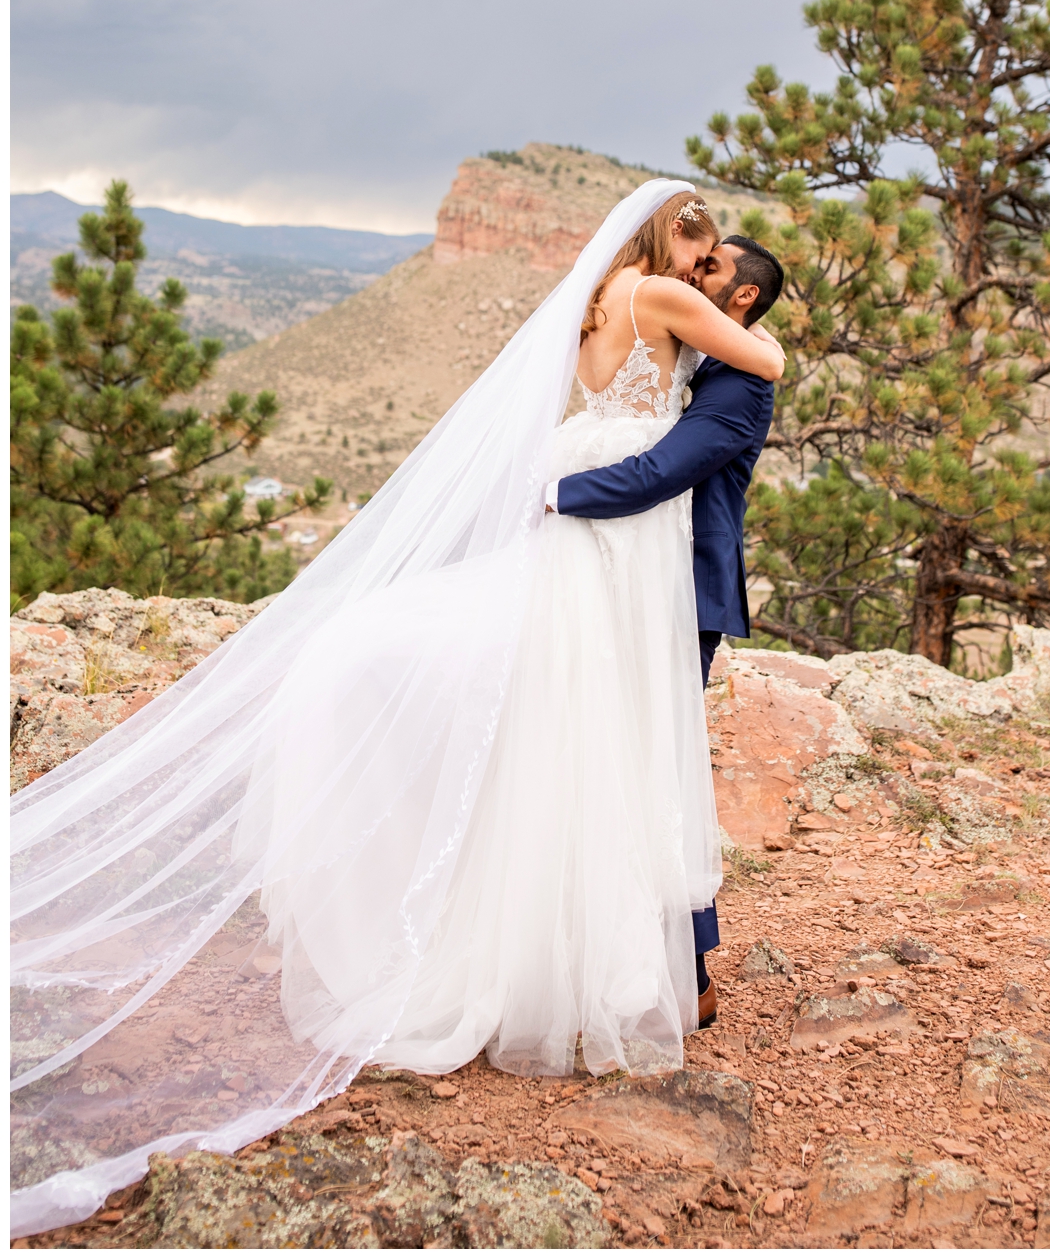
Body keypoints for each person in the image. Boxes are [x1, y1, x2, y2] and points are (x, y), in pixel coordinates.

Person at [8, 181, 783, 1235]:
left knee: (568, 740)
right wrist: (693, 340)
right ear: (677, 244)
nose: (706, 278)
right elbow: (753, 378)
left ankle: (599, 953)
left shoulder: (597, 296)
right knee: (604, 745)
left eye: (714, 274)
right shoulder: (673, 304)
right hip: (611, 545)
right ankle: (616, 970)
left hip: (586, 532)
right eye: (701, 258)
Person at [547, 232, 787, 1029]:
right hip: (628, 577)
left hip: (680, 591)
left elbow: (655, 475)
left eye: (709, 267)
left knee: (658, 762)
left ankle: (689, 971)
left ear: (741, 296)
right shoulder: (699, 348)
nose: (691, 271)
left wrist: (549, 497)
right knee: (608, 757)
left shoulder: (741, 384)